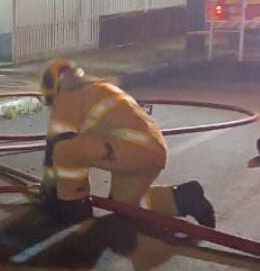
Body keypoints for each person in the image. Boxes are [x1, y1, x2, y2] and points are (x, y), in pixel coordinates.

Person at [37, 58, 215, 227]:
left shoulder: (68, 95)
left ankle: (74, 206)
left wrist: (50, 190)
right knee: (123, 205)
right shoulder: (99, 88)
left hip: (130, 148)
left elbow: (57, 145)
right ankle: (183, 197)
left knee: (66, 149)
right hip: (150, 151)